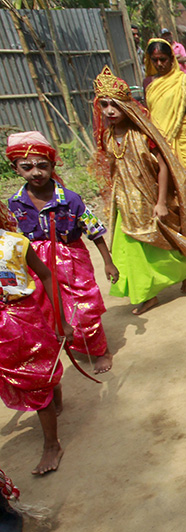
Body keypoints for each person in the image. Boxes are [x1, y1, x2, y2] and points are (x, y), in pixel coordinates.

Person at [92, 66, 186, 315]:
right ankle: (146, 294)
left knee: (158, 243)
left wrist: (161, 201)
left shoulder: (142, 135)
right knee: (128, 249)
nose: (109, 111)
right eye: (104, 104)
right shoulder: (107, 137)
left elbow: (163, 165)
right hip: (124, 203)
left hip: (148, 198)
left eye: (114, 105)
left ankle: (184, 270)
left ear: (126, 107)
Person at [6, 131, 117, 374]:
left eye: (42, 166)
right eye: (27, 167)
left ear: (52, 165)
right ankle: (64, 342)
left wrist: (108, 263)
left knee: (84, 308)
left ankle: (101, 351)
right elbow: (12, 242)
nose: (36, 172)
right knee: (47, 308)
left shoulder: (71, 199)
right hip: (35, 264)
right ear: (16, 169)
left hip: (72, 261)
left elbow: (95, 231)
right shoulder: (14, 203)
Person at [0, 198, 71, 476]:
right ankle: (53, 389)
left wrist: (61, 320)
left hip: (21, 319)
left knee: (35, 378)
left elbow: (45, 275)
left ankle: (52, 445)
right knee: (25, 377)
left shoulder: (15, 243)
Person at [144, 38, 186, 173]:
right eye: (155, 60)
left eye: (163, 59)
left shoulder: (183, 81)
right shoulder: (148, 83)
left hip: (181, 138)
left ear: (172, 59)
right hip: (157, 140)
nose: (159, 64)